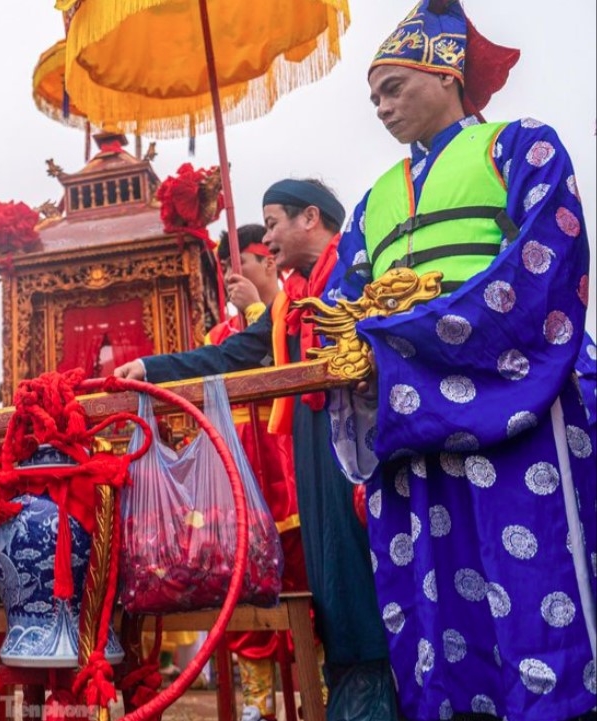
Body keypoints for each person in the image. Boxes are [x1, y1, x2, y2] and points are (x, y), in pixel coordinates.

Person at [325, 3, 596, 719]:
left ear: (445, 73)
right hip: (408, 424)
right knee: (432, 606)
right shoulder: (368, 203)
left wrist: (408, 344)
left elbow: (544, 264)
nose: (379, 106)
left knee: (537, 582)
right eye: (372, 96)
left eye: (391, 85)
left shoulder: (522, 144)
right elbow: (339, 307)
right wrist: (355, 352)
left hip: (518, 399)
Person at [116, 179, 399, 721]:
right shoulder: (291, 300)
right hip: (313, 446)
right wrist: (152, 368)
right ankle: (353, 699)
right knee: (331, 580)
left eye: (272, 224)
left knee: (369, 575)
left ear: (310, 218)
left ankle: (382, 698)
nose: (268, 239)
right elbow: (236, 355)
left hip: (367, 443)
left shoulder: (358, 273)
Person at [208, 226, 311, 721]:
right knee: (247, 596)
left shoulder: (290, 312)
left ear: (269, 264)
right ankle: (257, 706)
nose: (231, 278)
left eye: (240, 266)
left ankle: (318, 694)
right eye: (223, 272)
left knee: (306, 591)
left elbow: (273, 358)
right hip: (239, 486)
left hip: (289, 474)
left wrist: (254, 309)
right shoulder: (216, 337)